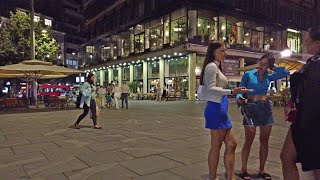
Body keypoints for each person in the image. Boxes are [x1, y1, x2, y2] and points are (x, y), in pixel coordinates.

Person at [200, 41, 252, 180]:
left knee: (231, 143)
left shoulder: (216, 67)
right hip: (216, 108)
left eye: (225, 50)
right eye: (222, 50)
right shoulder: (211, 67)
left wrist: (236, 94)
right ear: (213, 52)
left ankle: (230, 176)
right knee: (216, 145)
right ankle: (213, 177)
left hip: (221, 107)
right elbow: (210, 88)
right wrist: (232, 91)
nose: (225, 53)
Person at [237, 53, 289, 180]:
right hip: (251, 107)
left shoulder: (269, 76)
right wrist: (240, 100)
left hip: (265, 107)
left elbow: (285, 72)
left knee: (264, 141)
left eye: (265, 64)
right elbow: (240, 91)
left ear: (268, 66)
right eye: (261, 63)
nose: (261, 66)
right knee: (249, 140)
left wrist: (274, 66)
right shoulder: (248, 74)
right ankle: (244, 169)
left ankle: (262, 170)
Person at [280, 27, 320, 180]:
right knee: (287, 156)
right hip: (305, 119)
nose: (305, 45)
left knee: (315, 167)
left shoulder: (315, 63)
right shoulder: (312, 62)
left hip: (310, 121)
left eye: (308, 41)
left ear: (318, 44)